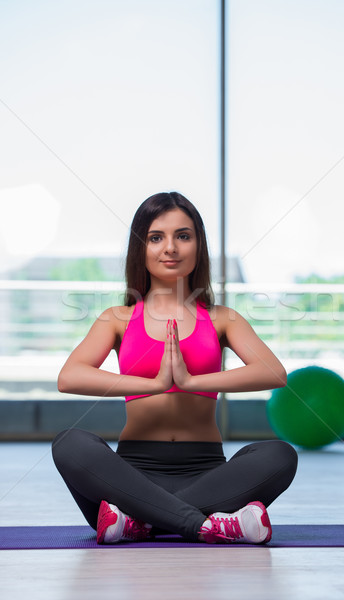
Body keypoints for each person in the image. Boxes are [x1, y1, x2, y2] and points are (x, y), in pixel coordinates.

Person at [52, 191, 297, 545]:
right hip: (129, 478)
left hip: (208, 476)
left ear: (199, 246)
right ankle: (208, 524)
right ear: (141, 248)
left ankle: (139, 523)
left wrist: (190, 380)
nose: (171, 247)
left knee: (280, 455)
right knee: (69, 443)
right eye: (156, 237)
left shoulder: (222, 318)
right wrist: (153, 384)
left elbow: (273, 372)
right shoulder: (117, 318)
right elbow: (69, 377)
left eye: (183, 236)